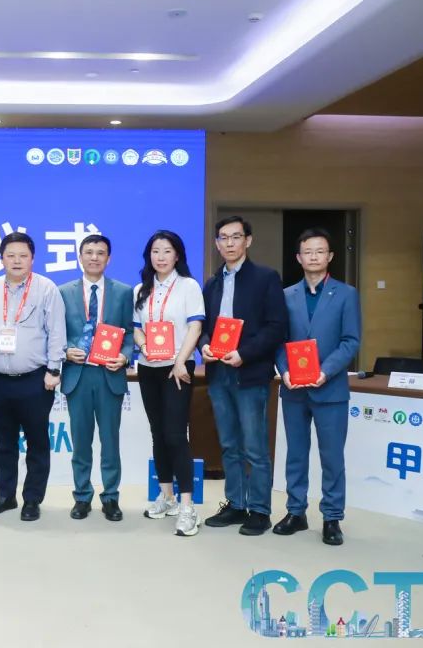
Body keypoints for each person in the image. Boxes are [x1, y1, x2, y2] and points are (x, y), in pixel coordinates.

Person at [273, 228, 360, 546]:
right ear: (298, 258)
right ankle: (296, 512)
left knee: (332, 457)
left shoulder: (347, 294)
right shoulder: (286, 295)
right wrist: (284, 370)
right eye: (307, 252)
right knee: (295, 454)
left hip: (330, 388)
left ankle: (332, 517)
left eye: (320, 251)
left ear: (330, 256)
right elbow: (279, 340)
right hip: (294, 389)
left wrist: (326, 371)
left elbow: (350, 341)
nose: (313, 257)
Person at [200, 216, 287, 536]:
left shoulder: (265, 278)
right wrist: (204, 345)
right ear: (216, 243)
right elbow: (204, 326)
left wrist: (245, 353)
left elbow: (277, 327)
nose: (229, 243)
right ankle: (236, 504)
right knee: (228, 444)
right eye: (223, 238)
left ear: (247, 240)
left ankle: (260, 510)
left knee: (254, 446)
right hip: (218, 373)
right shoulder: (212, 283)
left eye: (236, 237)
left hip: (249, 372)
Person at [0, 232, 66, 522]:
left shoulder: (46, 289)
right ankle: (5, 496)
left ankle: (32, 499)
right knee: (4, 443)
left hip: (35, 380)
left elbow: (56, 332)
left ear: (32, 259)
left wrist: (54, 370)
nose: (17, 261)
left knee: (37, 443)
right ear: (2, 258)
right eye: (10, 255)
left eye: (23, 255)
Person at [132, 230, 205, 536]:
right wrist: (144, 346)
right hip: (148, 367)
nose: (160, 257)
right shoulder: (141, 289)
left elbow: (195, 327)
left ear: (177, 255)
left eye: (166, 251)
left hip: (177, 368)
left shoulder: (188, 286)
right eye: (155, 251)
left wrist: (180, 361)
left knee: (176, 434)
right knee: (158, 433)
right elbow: (137, 328)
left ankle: (188, 507)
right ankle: (167, 496)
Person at [59, 234, 133, 522]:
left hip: (109, 375)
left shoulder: (123, 292)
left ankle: (111, 497)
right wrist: (66, 351)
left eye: (100, 253)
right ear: (80, 256)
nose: (94, 257)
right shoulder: (63, 292)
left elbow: (129, 333)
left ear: (108, 258)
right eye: (88, 252)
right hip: (77, 375)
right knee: (80, 442)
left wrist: (125, 356)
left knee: (110, 441)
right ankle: (82, 496)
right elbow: (55, 332)